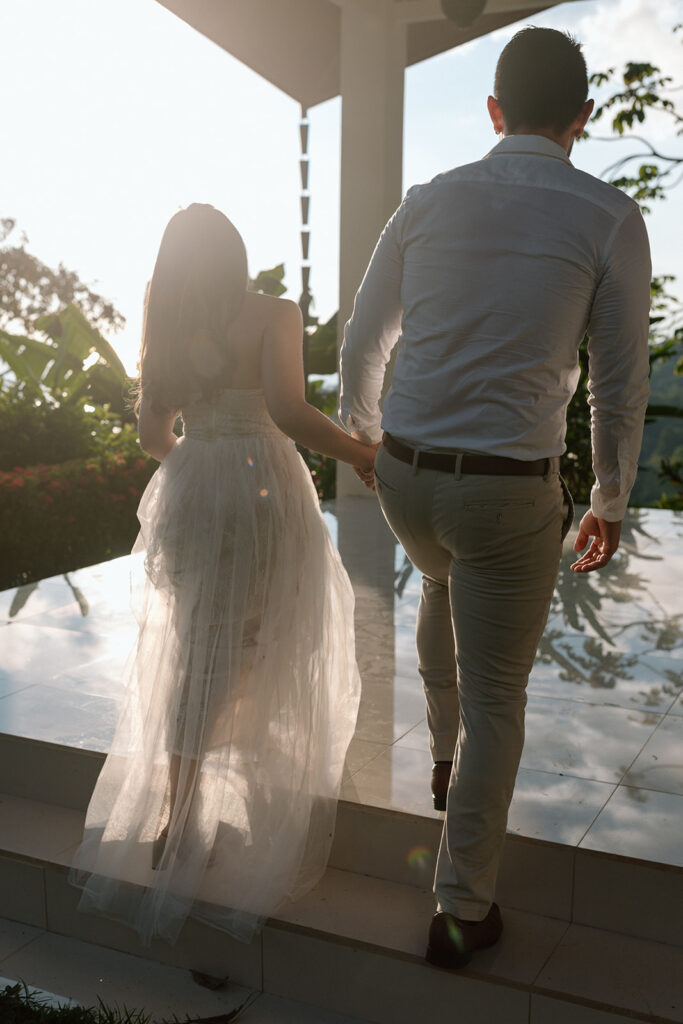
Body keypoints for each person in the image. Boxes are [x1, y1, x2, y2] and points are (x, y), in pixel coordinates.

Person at [339, 27, 651, 969]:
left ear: (492, 112)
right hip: (508, 496)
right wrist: (607, 497)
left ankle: (441, 750)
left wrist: (364, 440)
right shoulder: (606, 216)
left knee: (441, 580)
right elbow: (619, 383)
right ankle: (463, 908)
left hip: (406, 479)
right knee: (500, 698)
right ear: (582, 121)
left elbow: (363, 340)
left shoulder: (428, 200)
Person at [70, 203, 374, 945]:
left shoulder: (167, 317)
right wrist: (362, 452)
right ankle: (263, 799)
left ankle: (177, 815)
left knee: (199, 645)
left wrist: (196, 471)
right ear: (235, 254)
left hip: (196, 487)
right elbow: (289, 412)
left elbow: (152, 430)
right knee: (268, 636)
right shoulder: (272, 312)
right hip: (265, 486)